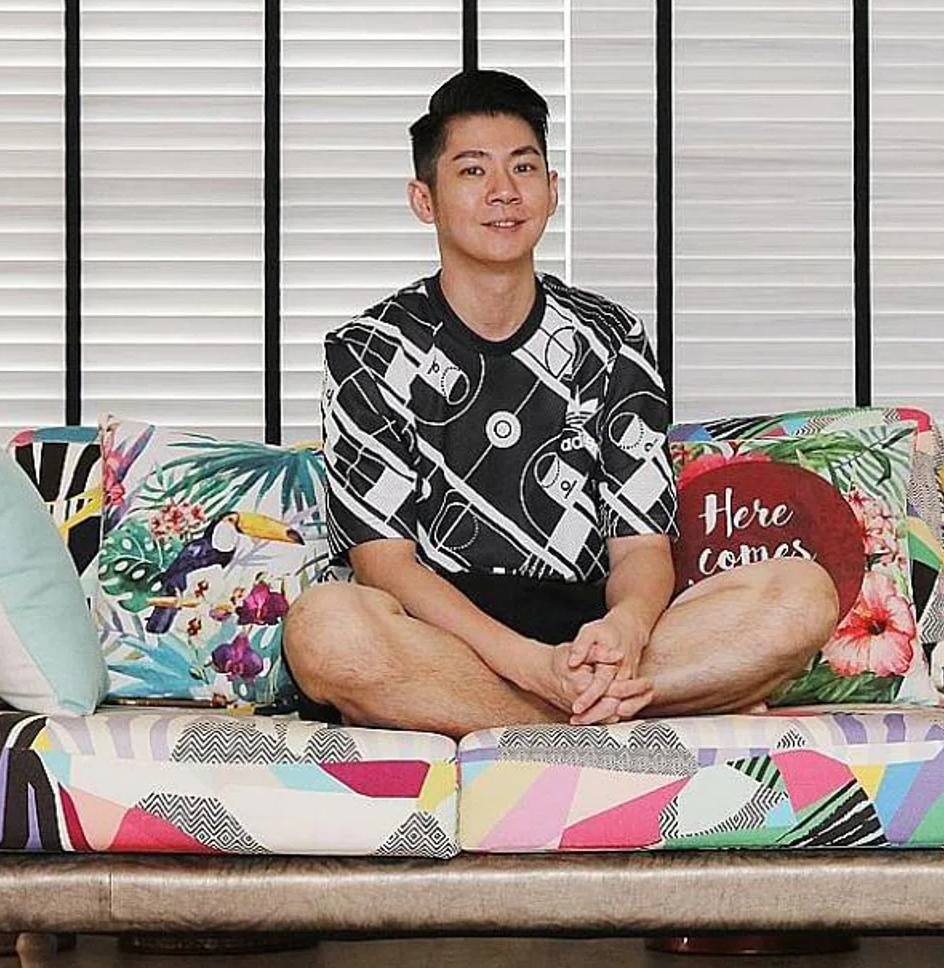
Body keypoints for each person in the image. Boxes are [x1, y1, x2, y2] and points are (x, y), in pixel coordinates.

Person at [282, 70, 839, 738]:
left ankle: (541, 708)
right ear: (424, 200)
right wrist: (526, 664)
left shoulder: (612, 336)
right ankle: (621, 710)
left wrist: (626, 629)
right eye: (473, 170)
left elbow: (640, 545)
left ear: (552, 190)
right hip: (443, 636)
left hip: (587, 632)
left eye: (523, 168)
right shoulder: (367, 349)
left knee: (801, 595)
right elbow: (385, 564)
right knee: (325, 628)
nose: (503, 191)